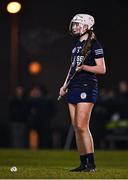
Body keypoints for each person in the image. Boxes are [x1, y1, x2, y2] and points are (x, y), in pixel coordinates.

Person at [59, 14, 106, 172]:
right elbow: (72, 67)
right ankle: (83, 163)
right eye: (74, 24)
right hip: (73, 86)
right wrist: (64, 85)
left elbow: (102, 69)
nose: (74, 27)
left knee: (82, 126)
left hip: (87, 86)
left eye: (78, 24)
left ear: (87, 26)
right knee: (76, 127)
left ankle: (91, 164)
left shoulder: (95, 44)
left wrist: (84, 67)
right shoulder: (76, 45)